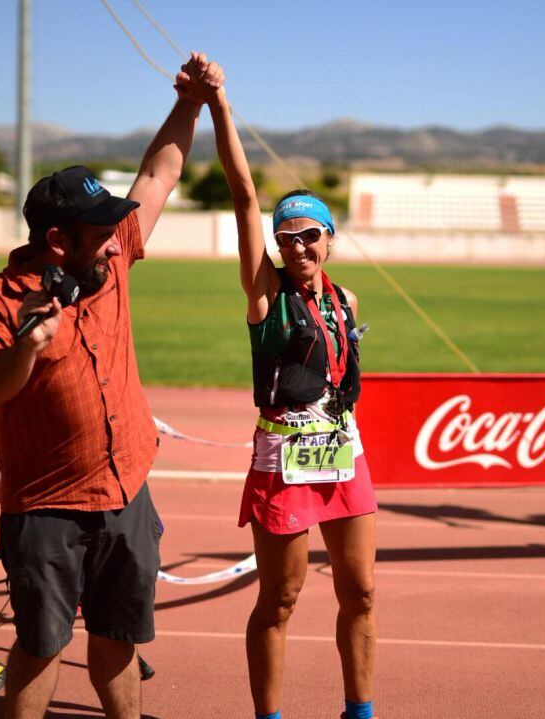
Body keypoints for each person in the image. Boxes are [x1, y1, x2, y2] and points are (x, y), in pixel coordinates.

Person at [0, 68, 216, 718]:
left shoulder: (114, 255)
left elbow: (158, 176)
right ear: (57, 242)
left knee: (118, 635)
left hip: (127, 490)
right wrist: (29, 346)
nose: (116, 237)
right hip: (46, 507)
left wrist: (189, 102)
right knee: (42, 643)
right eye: (100, 230)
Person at [176, 55, 378, 719]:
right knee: (281, 600)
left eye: (309, 235)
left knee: (364, 592)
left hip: (343, 454)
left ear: (330, 238)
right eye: (287, 238)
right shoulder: (267, 297)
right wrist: (219, 106)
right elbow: (243, 195)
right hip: (285, 460)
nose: (298, 247)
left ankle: (360, 710)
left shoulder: (346, 296)